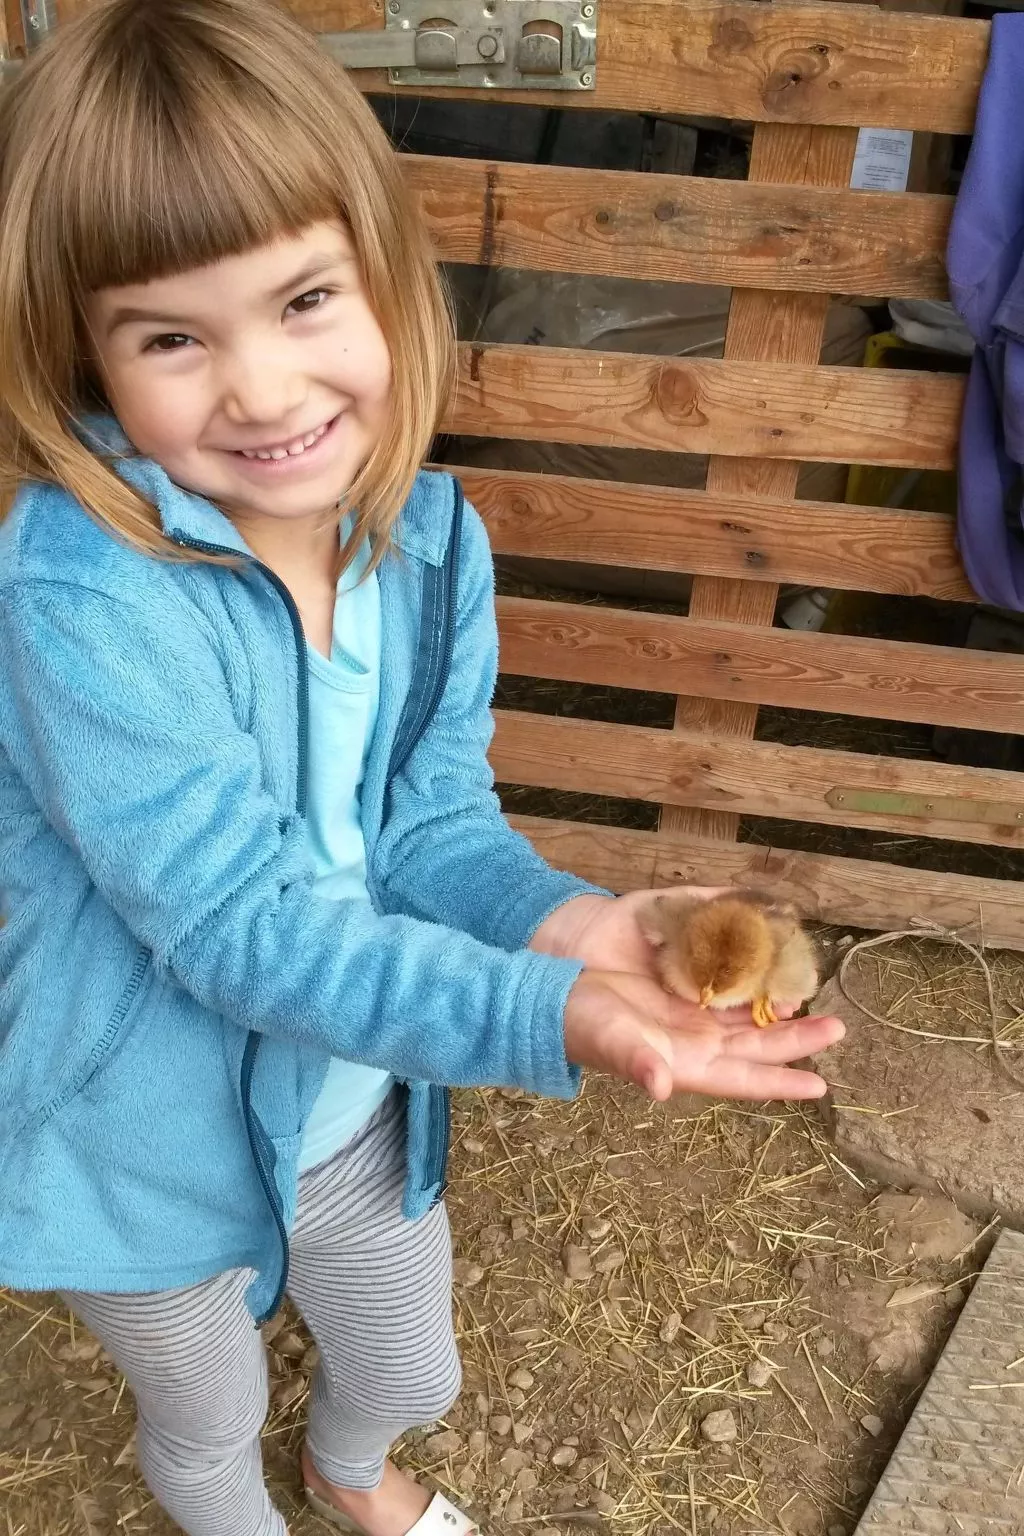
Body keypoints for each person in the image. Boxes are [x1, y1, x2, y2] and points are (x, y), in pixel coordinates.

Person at [0, 3, 844, 1533]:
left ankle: (353, 1477)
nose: (260, 390)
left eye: (305, 298)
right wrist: (544, 1012)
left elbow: (431, 825)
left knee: (411, 1363)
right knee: (203, 1419)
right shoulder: (84, 598)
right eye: (174, 337)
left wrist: (567, 923)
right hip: (141, 1139)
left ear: (392, 281)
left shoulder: (427, 541)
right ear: (88, 355)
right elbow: (239, 928)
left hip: (353, 1093)